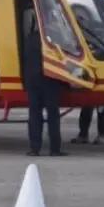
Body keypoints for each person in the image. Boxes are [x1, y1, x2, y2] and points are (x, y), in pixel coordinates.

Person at [23, 21, 67, 157]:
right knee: (53, 115)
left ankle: (34, 148)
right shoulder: (54, 40)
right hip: (50, 81)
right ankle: (55, 148)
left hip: (33, 81)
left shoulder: (30, 39)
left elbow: (25, 60)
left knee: (35, 114)